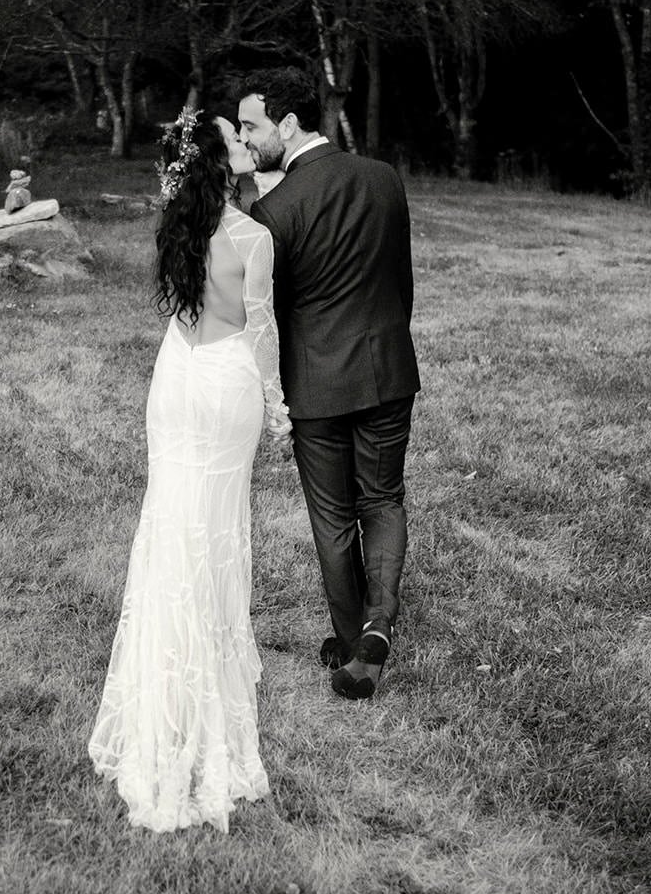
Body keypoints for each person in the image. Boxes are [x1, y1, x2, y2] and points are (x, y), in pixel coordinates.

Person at [88, 109, 291, 833]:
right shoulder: (254, 237)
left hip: (175, 380)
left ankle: (160, 691)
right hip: (228, 382)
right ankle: (204, 693)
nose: (245, 145)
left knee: (169, 523)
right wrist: (279, 408)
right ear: (220, 160)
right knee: (215, 531)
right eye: (235, 140)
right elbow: (260, 328)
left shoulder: (177, 227)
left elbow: (185, 312)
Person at [237, 67, 420, 702]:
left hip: (315, 384)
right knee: (385, 499)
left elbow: (267, 315)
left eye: (252, 125)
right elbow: (401, 281)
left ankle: (351, 644)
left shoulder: (271, 211)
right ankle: (377, 627)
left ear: (288, 124)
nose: (245, 135)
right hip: (389, 367)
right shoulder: (383, 177)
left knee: (335, 516)